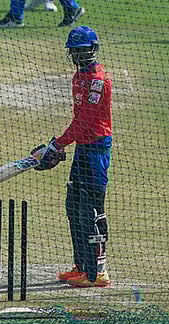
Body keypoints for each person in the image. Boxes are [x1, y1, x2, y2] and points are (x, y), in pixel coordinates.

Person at [33, 27, 113, 288]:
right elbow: (79, 122)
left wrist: (56, 145)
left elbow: (86, 121)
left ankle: (97, 273)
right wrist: (59, 147)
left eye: (82, 50)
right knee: (74, 208)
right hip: (82, 147)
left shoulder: (98, 81)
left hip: (96, 149)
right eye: (74, 51)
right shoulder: (78, 76)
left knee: (91, 210)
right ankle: (81, 266)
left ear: (93, 50)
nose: (78, 55)